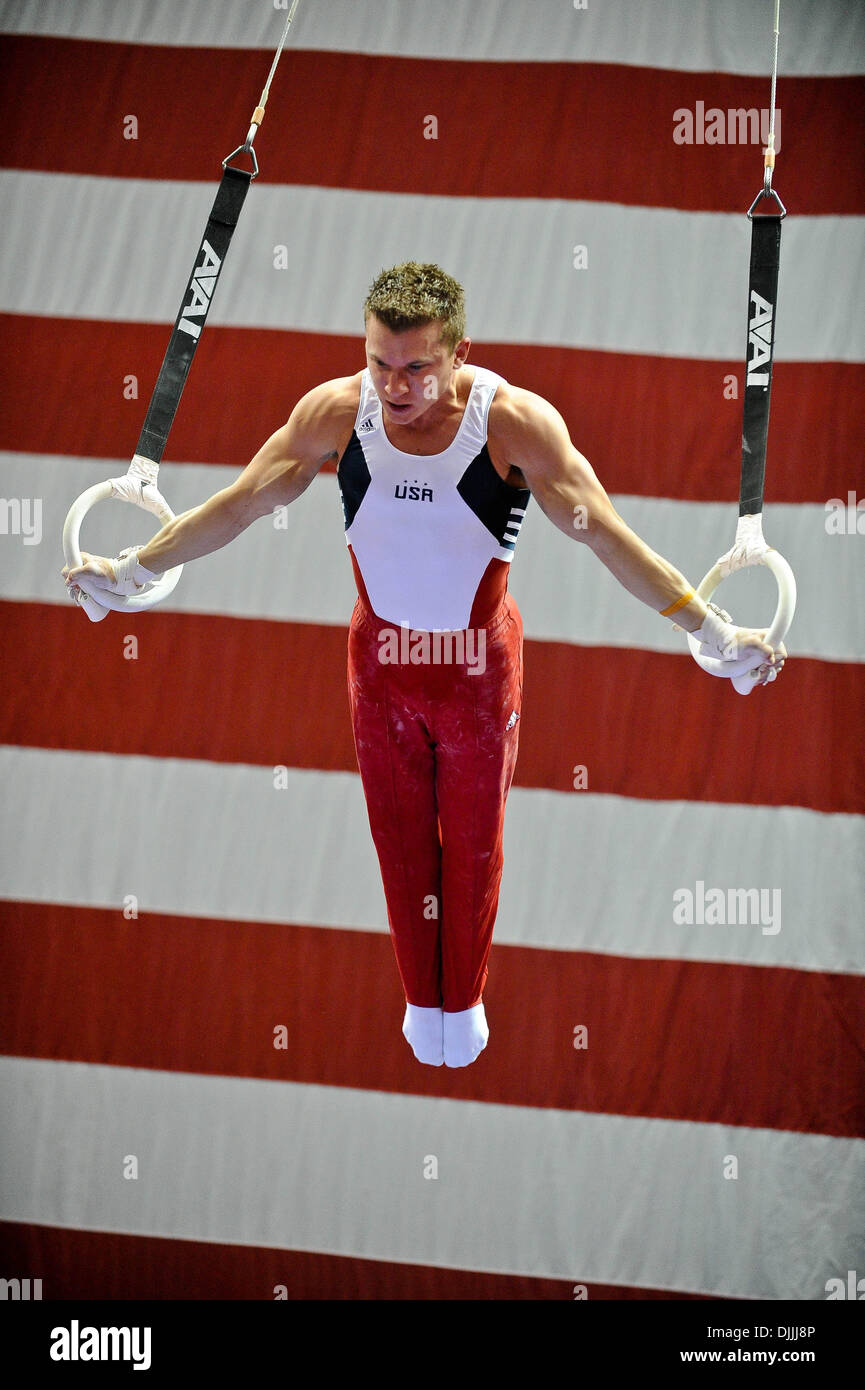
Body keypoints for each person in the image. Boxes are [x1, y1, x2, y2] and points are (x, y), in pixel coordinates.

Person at [63, 261, 786, 1069]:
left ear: (458, 354)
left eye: (415, 367)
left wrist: (712, 628)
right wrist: (133, 567)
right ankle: (422, 1003)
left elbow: (606, 535)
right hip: (379, 663)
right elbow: (240, 503)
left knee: (472, 844)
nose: (394, 385)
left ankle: (464, 1000)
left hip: (476, 669)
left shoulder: (513, 424)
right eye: (379, 363)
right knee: (398, 839)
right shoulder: (336, 414)